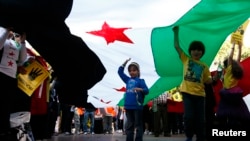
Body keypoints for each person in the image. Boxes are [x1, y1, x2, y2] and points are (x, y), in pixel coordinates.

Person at [173, 26, 212, 141]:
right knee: (189, 117)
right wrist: (176, 32)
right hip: (187, 93)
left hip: (200, 96)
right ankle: (189, 136)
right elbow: (176, 46)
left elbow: (207, 80)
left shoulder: (204, 66)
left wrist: (214, 78)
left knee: (201, 120)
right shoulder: (186, 59)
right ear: (190, 51)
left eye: (199, 50)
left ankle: (200, 137)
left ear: (202, 52)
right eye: (194, 49)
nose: (196, 51)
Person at [0, 27, 28, 140]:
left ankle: (3, 130)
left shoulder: (15, 43)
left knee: (6, 105)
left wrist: (22, 41)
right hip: (0, 74)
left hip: (11, 77)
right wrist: (6, 30)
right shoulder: (3, 39)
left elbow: (22, 59)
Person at [216, 42, 250, 131]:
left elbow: (231, 58)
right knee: (234, 112)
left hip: (227, 94)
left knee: (225, 112)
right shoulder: (236, 70)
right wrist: (240, 48)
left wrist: (233, 45)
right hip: (235, 94)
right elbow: (238, 59)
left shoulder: (229, 69)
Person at [118, 58, 149, 141]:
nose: (132, 72)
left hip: (137, 106)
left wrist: (141, 89)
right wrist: (124, 63)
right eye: (130, 71)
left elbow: (147, 91)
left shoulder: (141, 81)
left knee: (138, 125)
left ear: (138, 71)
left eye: (134, 70)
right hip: (128, 106)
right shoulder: (127, 80)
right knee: (129, 125)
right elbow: (120, 72)